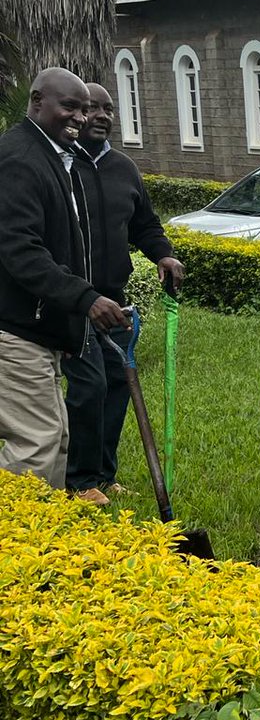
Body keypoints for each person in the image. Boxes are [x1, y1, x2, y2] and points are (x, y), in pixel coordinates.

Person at [0, 68, 129, 489]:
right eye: (69, 106)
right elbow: (20, 251)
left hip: (41, 332)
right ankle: (17, 545)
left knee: (55, 438)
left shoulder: (52, 156)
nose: (79, 116)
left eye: (84, 108)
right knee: (35, 443)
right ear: (37, 101)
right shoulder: (20, 158)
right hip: (15, 331)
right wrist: (85, 298)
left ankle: (47, 540)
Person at [61, 84, 184, 505]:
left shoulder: (124, 168)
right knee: (88, 385)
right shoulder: (62, 166)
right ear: (77, 114)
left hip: (114, 297)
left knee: (117, 385)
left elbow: (145, 225)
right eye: (91, 108)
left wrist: (164, 255)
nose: (100, 115)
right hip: (73, 299)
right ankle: (78, 481)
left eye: (108, 108)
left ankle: (103, 474)